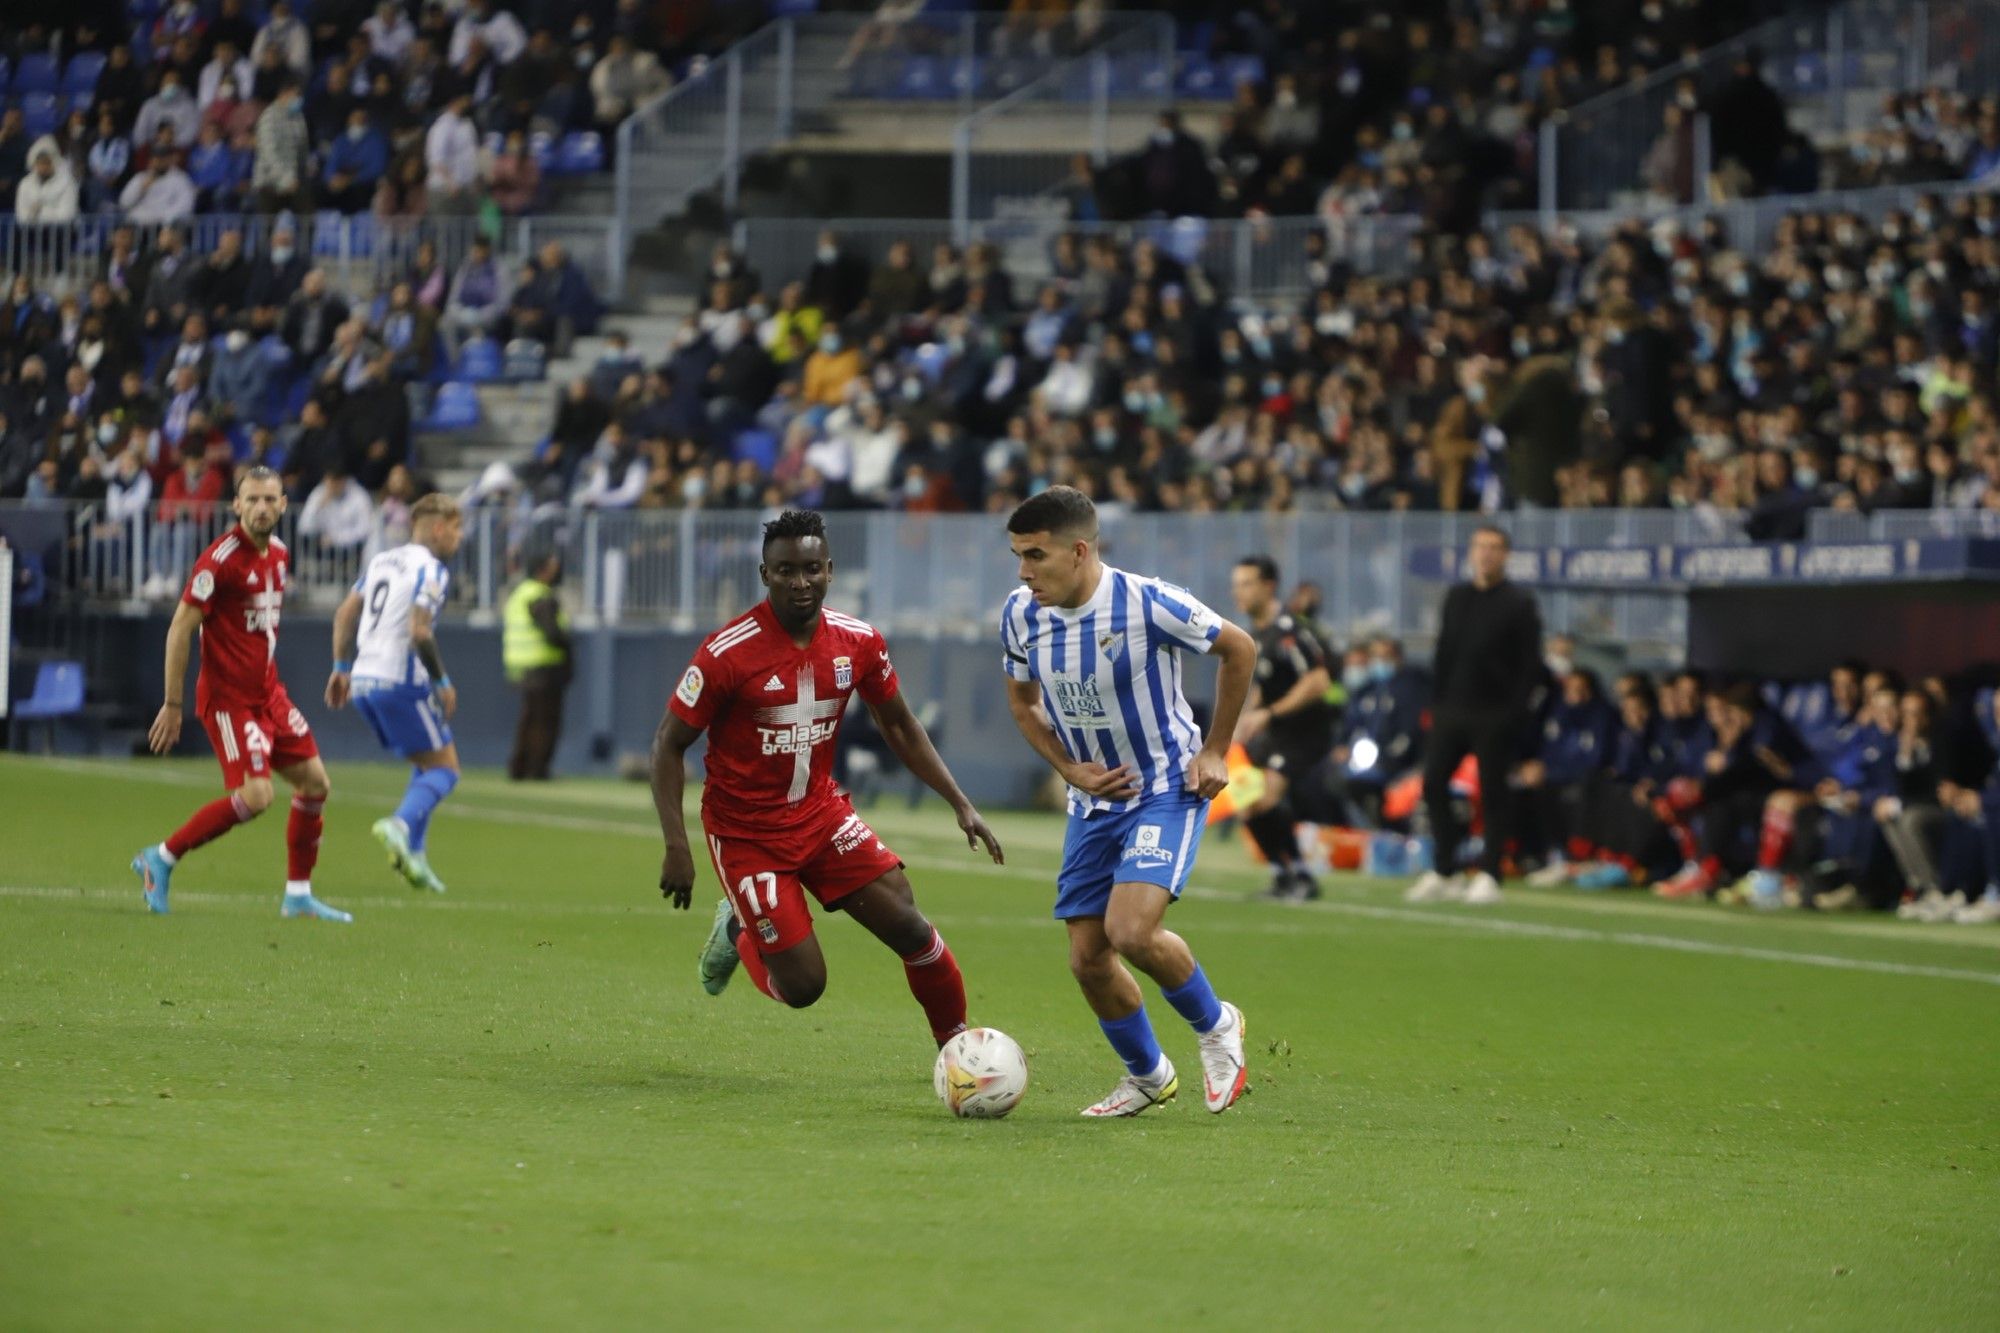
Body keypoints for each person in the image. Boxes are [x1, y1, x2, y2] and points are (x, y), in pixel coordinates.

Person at [652, 509, 1003, 1054]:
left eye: (811, 568)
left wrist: (960, 803)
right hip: (746, 834)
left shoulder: (859, 642)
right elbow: (668, 745)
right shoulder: (726, 653)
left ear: (830, 570)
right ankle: (740, 931)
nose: (800, 582)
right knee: (804, 988)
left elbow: (902, 726)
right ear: (764, 574)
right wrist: (678, 846)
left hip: (821, 816)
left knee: (910, 926)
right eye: (786, 570)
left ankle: (957, 1050)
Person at [999, 485, 1254, 1117]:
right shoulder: (1020, 613)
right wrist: (1069, 770)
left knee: (1131, 930)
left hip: (1165, 787)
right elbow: (1024, 704)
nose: (1025, 572)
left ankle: (1217, 1026)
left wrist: (1216, 749)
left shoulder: (1147, 602)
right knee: (1088, 960)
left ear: (1079, 551)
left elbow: (1239, 648)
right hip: (1093, 805)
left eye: (1036, 555)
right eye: (1018, 557)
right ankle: (1148, 1076)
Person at [129, 466, 350, 922]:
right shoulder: (219, 561)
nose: (262, 508)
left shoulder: (281, 554)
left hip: (270, 695)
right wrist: (173, 704)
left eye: (270, 499)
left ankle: (298, 895)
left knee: (315, 784)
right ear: (236, 505)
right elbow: (179, 630)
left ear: (284, 504)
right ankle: (162, 857)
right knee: (257, 795)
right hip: (230, 703)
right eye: (252, 500)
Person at [326, 494, 466, 894]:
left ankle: (416, 858)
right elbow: (420, 630)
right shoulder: (433, 570)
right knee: (445, 769)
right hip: (400, 679)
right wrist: (441, 681)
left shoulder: (382, 561)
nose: (458, 538)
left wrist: (340, 668)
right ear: (438, 528)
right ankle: (400, 825)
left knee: (426, 760)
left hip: (363, 681)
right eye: (456, 529)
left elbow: (343, 614)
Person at [1407, 524, 1543, 905]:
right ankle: (1445, 868)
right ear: (1471, 552)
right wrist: (1436, 704)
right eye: (1480, 546)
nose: (1486, 553)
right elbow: (1444, 652)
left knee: (1493, 793)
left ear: (1506, 555)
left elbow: (1530, 664)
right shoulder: (1457, 596)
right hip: (1452, 709)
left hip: (1495, 714)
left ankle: (1490, 873)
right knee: (1432, 785)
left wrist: (1514, 713)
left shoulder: (1519, 602)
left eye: (1495, 547)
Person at [1228, 555, 1335, 900]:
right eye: (1236, 585)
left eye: (1247, 584)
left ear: (1269, 586)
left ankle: (1303, 875)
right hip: (1274, 731)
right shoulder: (1255, 635)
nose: (1239, 593)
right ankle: (1281, 874)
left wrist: (1268, 714)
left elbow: (1318, 681)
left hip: (1304, 732)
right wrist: (1244, 719)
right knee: (1245, 801)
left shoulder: (1292, 630)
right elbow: (1263, 685)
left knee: (1267, 794)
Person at [503, 546, 572, 780]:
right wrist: (567, 644)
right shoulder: (539, 595)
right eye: (553, 568)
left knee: (529, 719)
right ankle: (536, 768)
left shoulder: (521, 592)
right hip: (543, 667)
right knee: (544, 721)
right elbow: (552, 632)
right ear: (543, 571)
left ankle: (519, 766)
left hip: (522, 666)